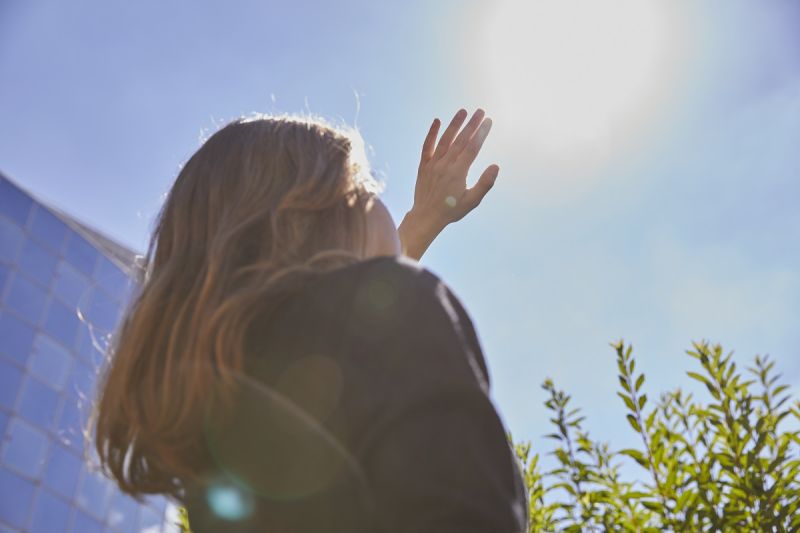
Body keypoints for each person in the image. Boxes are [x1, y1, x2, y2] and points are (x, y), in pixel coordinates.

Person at [92, 108, 529, 532]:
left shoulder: (221, 412)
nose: (379, 198)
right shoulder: (410, 311)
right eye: (363, 183)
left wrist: (423, 221)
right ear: (310, 216)